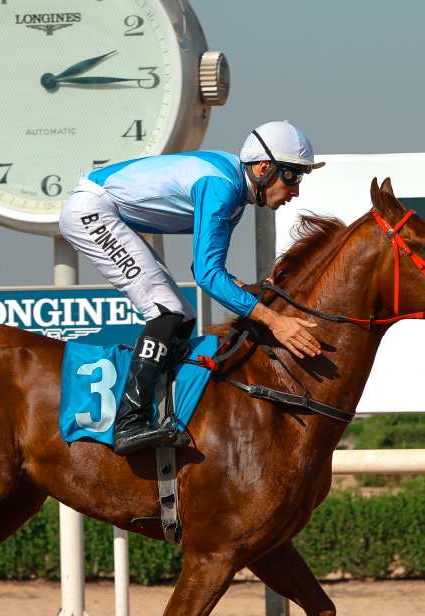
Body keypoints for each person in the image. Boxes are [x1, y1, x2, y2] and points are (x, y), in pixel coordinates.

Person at [58, 120, 324, 455]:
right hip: (93, 212)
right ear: (264, 167)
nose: (296, 190)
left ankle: (160, 406)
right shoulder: (221, 187)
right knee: (168, 311)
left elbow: (207, 267)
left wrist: (253, 289)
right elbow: (207, 275)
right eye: (292, 176)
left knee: (182, 315)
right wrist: (276, 322)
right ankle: (130, 422)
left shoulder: (235, 196)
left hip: (104, 210)